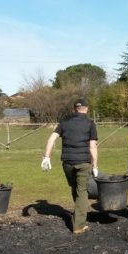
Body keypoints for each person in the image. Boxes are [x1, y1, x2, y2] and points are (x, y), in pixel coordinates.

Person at [41, 98, 98, 234]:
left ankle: (78, 214)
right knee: (82, 191)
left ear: (74, 109)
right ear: (86, 109)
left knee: (75, 188)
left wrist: (46, 157)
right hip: (84, 162)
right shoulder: (90, 123)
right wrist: (95, 165)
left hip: (67, 162)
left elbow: (51, 139)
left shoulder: (64, 122)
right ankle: (78, 225)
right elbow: (93, 147)